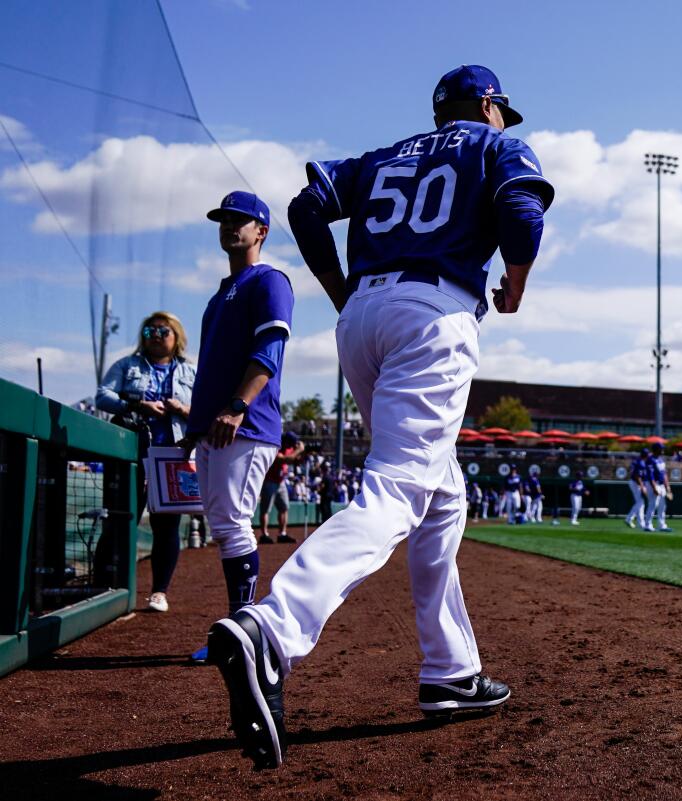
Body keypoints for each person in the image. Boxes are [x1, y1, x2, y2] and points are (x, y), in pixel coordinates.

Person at [206, 64, 552, 769]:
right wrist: (514, 287)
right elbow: (522, 212)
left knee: (442, 492)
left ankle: (450, 670)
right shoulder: (493, 146)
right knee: (399, 487)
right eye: (499, 112)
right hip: (433, 311)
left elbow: (306, 207)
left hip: (362, 317)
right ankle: (274, 629)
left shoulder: (384, 155)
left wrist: (341, 289)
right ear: (488, 105)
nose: (500, 122)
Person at [182, 192, 293, 664]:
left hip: (245, 425)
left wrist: (236, 407)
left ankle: (245, 635)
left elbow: (269, 352)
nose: (230, 226)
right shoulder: (218, 295)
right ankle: (239, 632)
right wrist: (195, 425)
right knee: (223, 526)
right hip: (214, 426)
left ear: (261, 230)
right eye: (224, 220)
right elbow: (208, 368)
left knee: (232, 524)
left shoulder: (269, 280)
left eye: (240, 220)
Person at [95, 311, 195, 612]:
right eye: (149, 330)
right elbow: (102, 395)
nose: (155, 335)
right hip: (130, 451)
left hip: (173, 453)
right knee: (119, 518)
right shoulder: (128, 365)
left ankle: (159, 592)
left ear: (176, 336)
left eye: (163, 331)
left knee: (167, 526)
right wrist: (138, 404)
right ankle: (104, 585)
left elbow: (206, 406)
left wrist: (181, 408)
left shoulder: (191, 372)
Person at [258, 433, 306, 544]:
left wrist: (304, 453)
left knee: (284, 508)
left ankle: (282, 534)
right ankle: (264, 535)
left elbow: (295, 460)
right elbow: (285, 459)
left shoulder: (289, 449)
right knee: (265, 510)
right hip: (269, 481)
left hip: (281, 482)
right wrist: (299, 450)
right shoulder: (275, 448)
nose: (292, 446)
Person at [647, 442, 672, 532]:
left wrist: (668, 487)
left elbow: (664, 474)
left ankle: (662, 525)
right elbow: (650, 475)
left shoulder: (661, 460)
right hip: (654, 484)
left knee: (662, 506)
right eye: (661, 448)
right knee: (653, 504)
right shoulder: (650, 459)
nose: (663, 450)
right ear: (656, 449)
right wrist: (654, 487)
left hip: (661, 485)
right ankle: (648, 525)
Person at [625, 449, 649, 529]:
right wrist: (642, 487)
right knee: (640, 502)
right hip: (636, 483)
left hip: (636, 483)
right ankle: (629, 518)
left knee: (641, 503)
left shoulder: (639, 461)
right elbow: (637, 476)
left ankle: (641, 523)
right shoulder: (641, 462)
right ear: (646, 455)